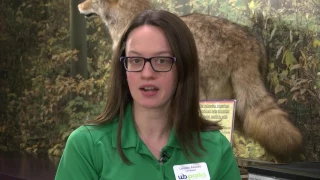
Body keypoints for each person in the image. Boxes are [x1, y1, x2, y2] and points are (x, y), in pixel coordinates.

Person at [55, 10, 241, 180]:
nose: (147, 74)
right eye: (135, 60)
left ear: (183, 67)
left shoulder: (216, 148)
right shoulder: (87, 147)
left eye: (161, 60)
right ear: (123, 69)